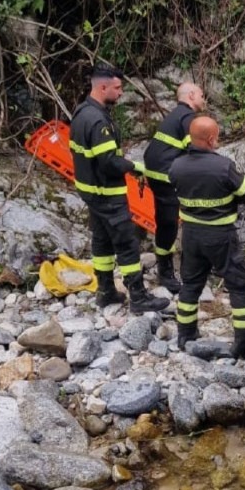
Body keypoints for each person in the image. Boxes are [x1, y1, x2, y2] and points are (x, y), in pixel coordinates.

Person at [69, 66, 169, 313]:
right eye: (117, 88)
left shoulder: (81, 112)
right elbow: (109, 162)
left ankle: (105, 292)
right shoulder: (98, 120)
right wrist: (135, 166)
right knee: (126, 244)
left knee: (102, 242)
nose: (121, 92)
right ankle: (138, 297)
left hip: (91, 192)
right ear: (102, 87)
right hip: (107, 193)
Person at [169, 116, 245, 357]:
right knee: (238, 286)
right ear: (210, 139)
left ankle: (185, 333)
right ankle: (243, 341)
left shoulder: (177, 165)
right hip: (221, 235)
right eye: (216, 136)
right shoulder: (222, 166)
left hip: (191, 235)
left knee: (190, 285)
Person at [142, 82, 207, 294]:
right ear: (191, 95)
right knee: (170, 224)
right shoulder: (187, 118)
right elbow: (195, 149)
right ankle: (167, 272)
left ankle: (167, 266)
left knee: (166, 222)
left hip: (157, 173)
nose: (204, 99)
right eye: (201, 95)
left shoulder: (176, 115)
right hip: (165, 176)